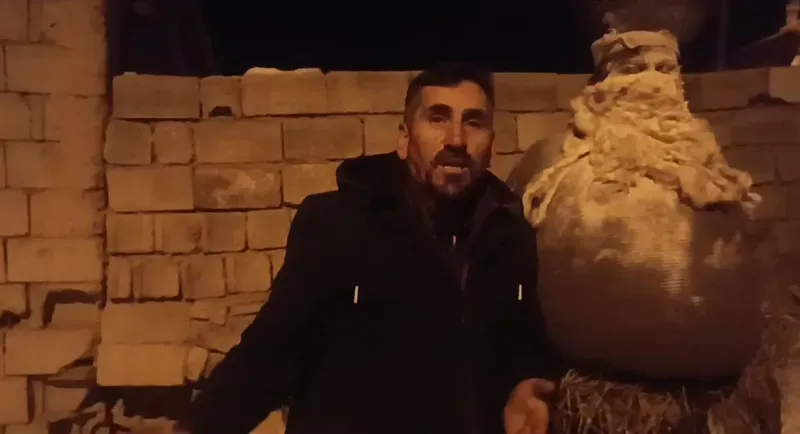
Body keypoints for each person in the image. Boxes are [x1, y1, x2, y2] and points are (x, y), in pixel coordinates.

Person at [175, 62, 563, 434]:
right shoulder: (339, 223)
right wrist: (196, 428)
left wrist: (526, 386)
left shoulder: (512, 236)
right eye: (437, 118)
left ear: (491, 143)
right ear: (404, 138)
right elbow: (272, 352)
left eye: (474, 122)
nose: (457, 140)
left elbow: (524, 341)